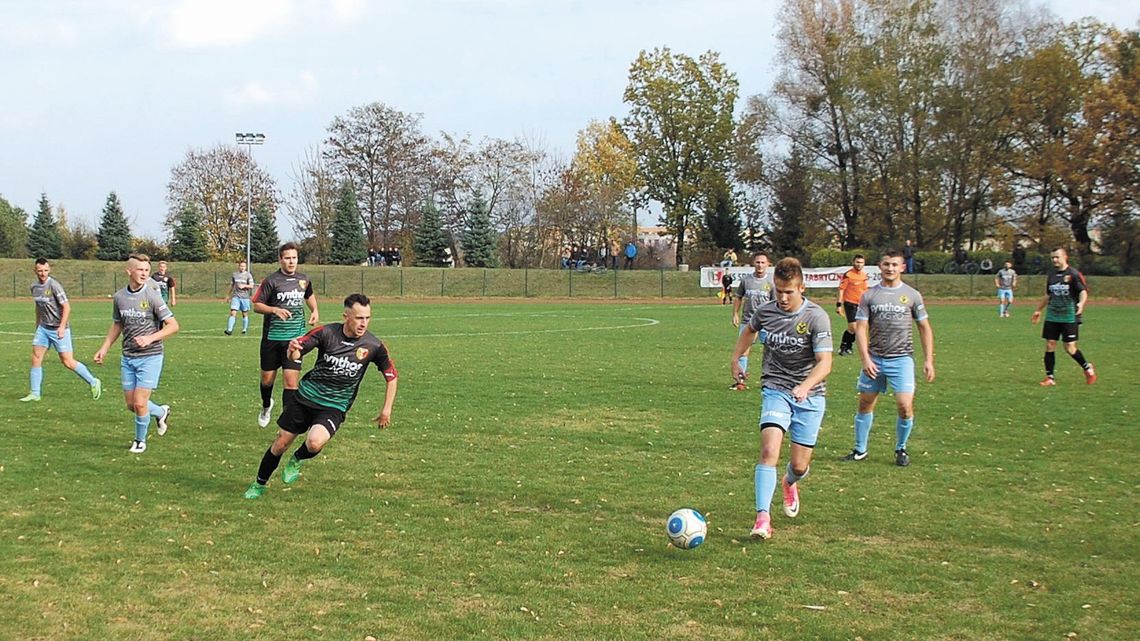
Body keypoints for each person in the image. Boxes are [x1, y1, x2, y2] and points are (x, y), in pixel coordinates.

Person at [243, 293, 399, 499]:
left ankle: (297, 459)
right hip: (305, 398)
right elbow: (298, 352)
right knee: (280, 443)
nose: (364, 323)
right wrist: (292, 351)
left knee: (315, 442)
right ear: (346, 316)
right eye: (359, 318)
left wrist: (386, 410)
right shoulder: (326, 332)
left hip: (334, 405)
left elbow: (392, 376)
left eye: (367, 318)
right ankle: (259, 483)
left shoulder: (374, 346)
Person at [731, 257, 832, 540]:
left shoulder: (816, 317)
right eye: (779, 291)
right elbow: (749, 331)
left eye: (789, 292)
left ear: (802, 288)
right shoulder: (766, 312)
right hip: (775, 389)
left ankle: (790, 481)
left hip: (810, 396)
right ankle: (763, 517)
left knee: (800, 465)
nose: (783, 298)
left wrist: (806, 384)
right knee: (768, 451)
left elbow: (825, 363)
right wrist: (736, 358)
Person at [843, 249, 935, 467]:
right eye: (886, 264)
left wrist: (928, 359)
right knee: (865, 403)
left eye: (895, 265)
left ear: (902, 267)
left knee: (904, 406)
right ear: (880, 267)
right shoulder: (869, 295)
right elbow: (861, 328)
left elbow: (925, 327)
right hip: (875, 358)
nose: (890, 268)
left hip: (901, 359)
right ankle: (860, 449)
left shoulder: (912, 295)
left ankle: (901, 448)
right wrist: (865, 359)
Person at [93, 254, 179, 453]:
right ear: (129, 271)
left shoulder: (152, 296)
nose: (144, 273)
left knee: (140, 403)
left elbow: (173, 326)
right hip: (128, 357)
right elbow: (118, 324)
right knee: (132, 405)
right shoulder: (119, 297)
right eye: (140, 269)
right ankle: (160, 412)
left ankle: (140, 442)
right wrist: (104, 348)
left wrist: (150, 338)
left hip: (151, 356)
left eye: (147, 270)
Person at [252, 242, 320, 428]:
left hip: (295, 340)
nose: (291, 262)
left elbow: (309, 296)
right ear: (280, 259)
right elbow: (257, 305)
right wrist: (274, 310)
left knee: (291, 382)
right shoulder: (272, 281)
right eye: (288, 258)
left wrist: (314, 310)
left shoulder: (303, 279)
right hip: (272, 339)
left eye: (294, 258)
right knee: (267, 380)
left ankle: (287, 424)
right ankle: (266, 405)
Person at [20, 258, 102, 402]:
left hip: (58, 329)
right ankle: (35, 393)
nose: (43, 273)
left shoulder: (54, 285)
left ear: (49, 270)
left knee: (68, 361)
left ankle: (93, 381)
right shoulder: (34, 287)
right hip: (44, 328)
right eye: (40, 270)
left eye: (45, 270)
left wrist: (62, 327)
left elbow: (67, 307)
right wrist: (37, 326)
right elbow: (38, 307)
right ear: (35, 271)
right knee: (36, 358)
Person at [1031, 247, 1095, 386]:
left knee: (1070, 348)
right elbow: (1048, 294)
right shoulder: (1052, 275)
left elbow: (1083, 292)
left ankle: (1087, 367)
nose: (1054, 260)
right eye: (1052, 257)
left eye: (1057, 257)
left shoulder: (1073, 274)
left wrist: (1081, 304)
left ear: (1065, 257)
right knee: (1050, 344)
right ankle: (1050, 377)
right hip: (1053, 315)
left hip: (1069, 315)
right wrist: (1038, 310)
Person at [730, 253, 774, 390]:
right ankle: (740, 381)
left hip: (766, 322)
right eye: (757, 262)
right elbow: (738, 297)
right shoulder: (746, 280)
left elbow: (775, 303)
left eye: (762, 262)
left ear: (768, 264)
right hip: (748, 321)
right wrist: (735, 314)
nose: (760, 265)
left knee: (771, 351)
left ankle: (772, 381)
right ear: (753, 264)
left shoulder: (771, 282)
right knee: (743, 351)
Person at [835, 254, 869, 356]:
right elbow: (841, 290)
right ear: (853, 262)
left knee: (857, 328)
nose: (859, 264)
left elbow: (865, 290)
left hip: (861, 304)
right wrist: (839, 305)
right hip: (850, 303)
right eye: (857, 262)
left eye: (861, 262)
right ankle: (843, 346)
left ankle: (848, 346)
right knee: (853, 327)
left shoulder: (864, 275)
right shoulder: (848, 274)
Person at [226, 260, 255, 335]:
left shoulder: (248, 275)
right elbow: (232, 285)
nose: (242, 267)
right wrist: (228, 295)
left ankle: (244, 329)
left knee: (244, 314)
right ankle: (229, 330)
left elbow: (251, 286)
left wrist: (244, 286)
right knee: (233, 312)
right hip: (236, 296)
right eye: (241, 266)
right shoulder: (235, 274)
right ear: (238, 266)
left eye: (244, 266)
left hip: (245, 297)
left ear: (246, 267)